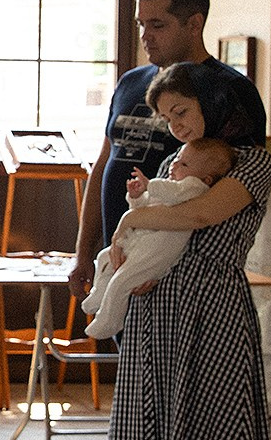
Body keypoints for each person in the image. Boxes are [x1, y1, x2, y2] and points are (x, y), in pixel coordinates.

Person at [69, 0, 265, 440]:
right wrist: (87, 250)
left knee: (191, 422)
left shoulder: (225, 94)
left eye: (158, 24)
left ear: (193, 22)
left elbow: (211, 197)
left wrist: (148, 245)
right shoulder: (133, 84)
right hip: (128, 258)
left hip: (177, 278)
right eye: (141, 24)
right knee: (149, 410)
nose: (147, 37)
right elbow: (106, 165)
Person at [103, 60, 271, 440]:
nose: (174, 126)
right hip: (162, 314)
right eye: (166, 116)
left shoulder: (248, 161)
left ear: (217, 103)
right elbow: (162, 231)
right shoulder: (182, 159)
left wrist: (132, 219)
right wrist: (130, 249)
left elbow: (198, 215)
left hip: (212, 314)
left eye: (182, 111)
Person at [80, 138, 233, 341]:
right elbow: (142, 209)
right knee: (104, 257)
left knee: (122, 280)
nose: (175, 164)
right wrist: (135, 197)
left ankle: (110, 321)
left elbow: (174, 194)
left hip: (159, 248)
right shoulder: (169, 184)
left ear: (207, 179)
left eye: (184, 164)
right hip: (142, 241)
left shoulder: (194, 188)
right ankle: (99, 294)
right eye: (177, 159)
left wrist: (149, 185)